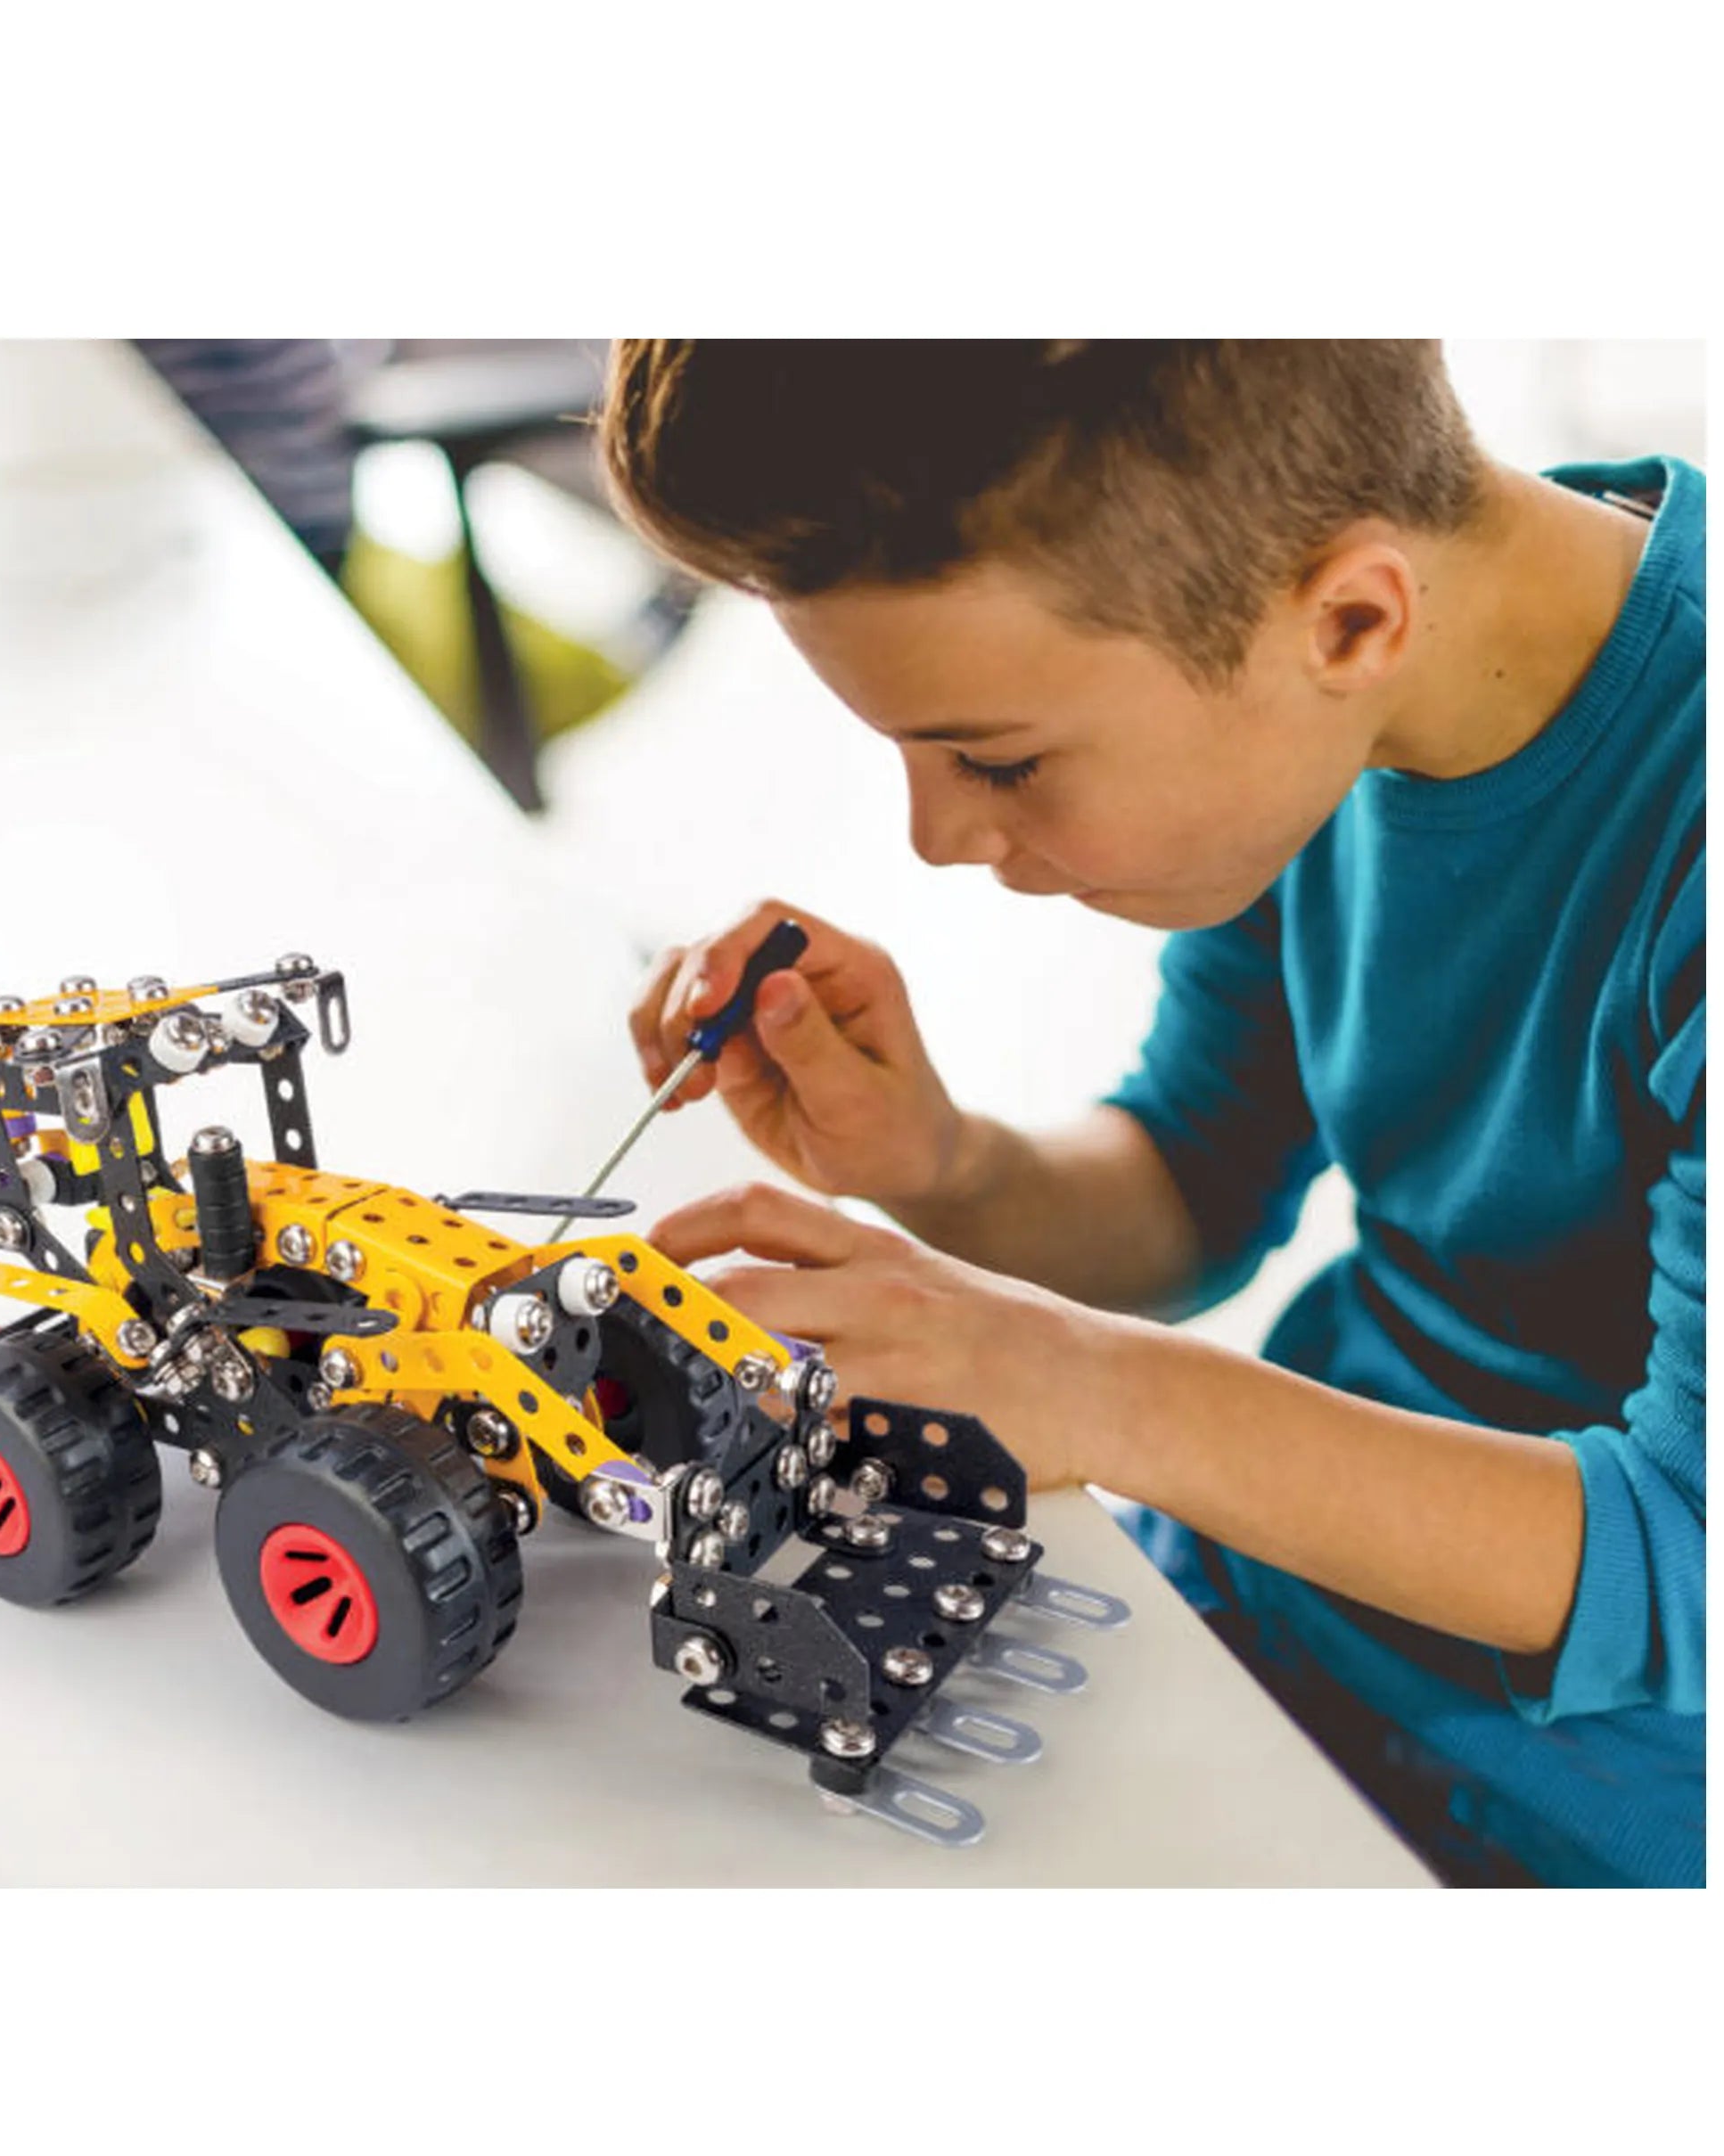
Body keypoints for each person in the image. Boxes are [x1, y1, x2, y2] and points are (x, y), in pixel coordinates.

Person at [604, 341, 1703, 1889]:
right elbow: (1197, 1177)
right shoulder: (1346, 708)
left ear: (1351, 617)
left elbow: (1690, 1559)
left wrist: (1098, 1391)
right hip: (1249, 1626)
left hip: (1581, 1825)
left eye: (998, 757)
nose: (937, 840)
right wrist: (940, 1161)